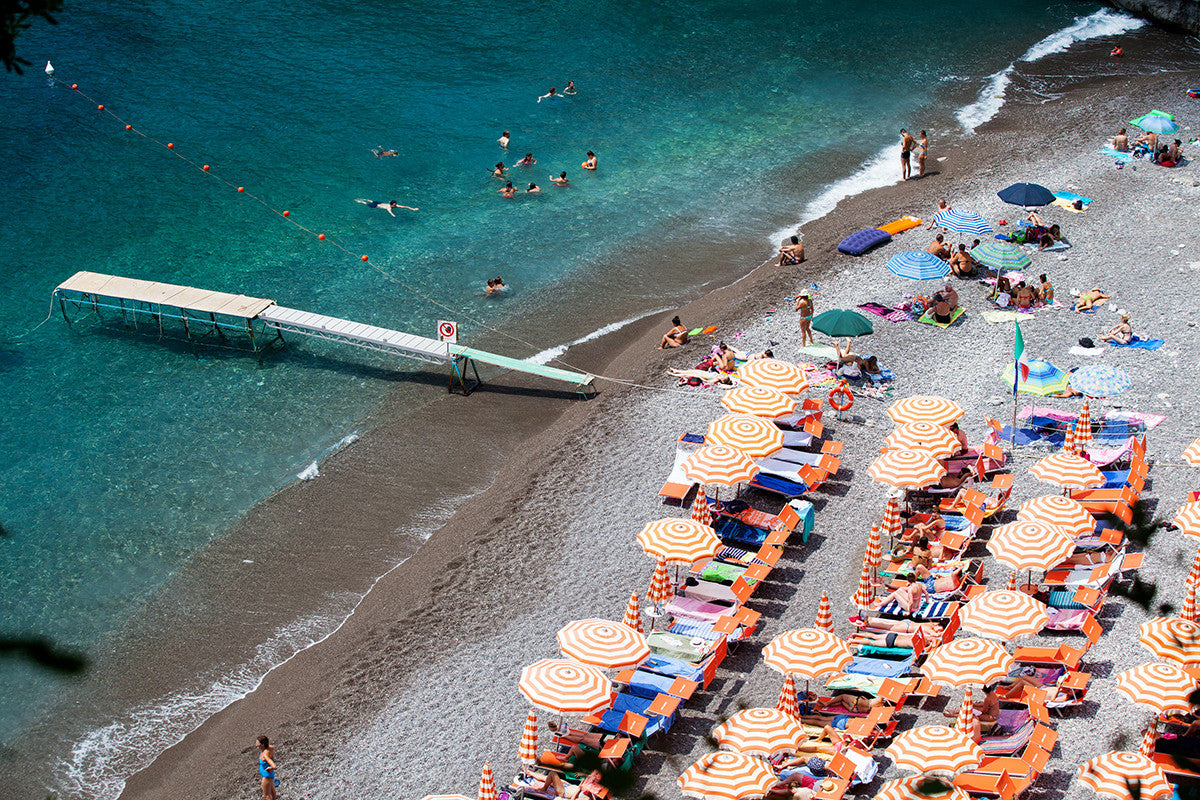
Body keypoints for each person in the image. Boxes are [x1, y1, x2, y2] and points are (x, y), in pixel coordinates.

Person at [256, 735, 279, 800]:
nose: (256, 745)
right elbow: (273, 747)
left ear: (262, 744)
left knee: (266, 795)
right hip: (270, 775)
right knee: (272, 791)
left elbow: (274, 766)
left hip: (266, 776)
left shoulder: (265, 754)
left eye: (257, 743)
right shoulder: (269, 748)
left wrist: (270, 768)